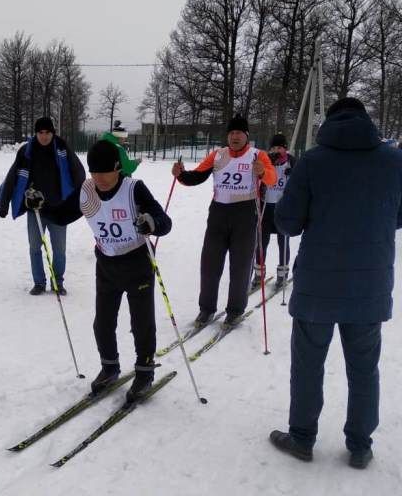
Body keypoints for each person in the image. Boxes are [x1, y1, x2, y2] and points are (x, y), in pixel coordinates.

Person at [269, 97, 402, 469]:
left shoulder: (313, 161)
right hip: (370, 283)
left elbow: (289, 223)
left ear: (328, 122)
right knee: (364, 366)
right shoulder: (394, 160)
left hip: (317, 285)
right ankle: (360, 445)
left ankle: (302, 437)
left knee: (308, 363)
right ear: (367, 120)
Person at [25, 140, 172, 403]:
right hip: (107, 264)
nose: (99, 178)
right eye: (94, 172)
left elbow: (164, 221)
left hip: (137, 262)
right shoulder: (87, 190)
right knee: (102, 323)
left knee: (142, 323)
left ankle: (145, 371)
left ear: (117, 168)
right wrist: (39, 205)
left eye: (104, 171)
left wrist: (151, 222)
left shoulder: (133, 189)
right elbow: (61, 215)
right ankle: (110, 367)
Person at [171, 114, 276, 327]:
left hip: (245, 214)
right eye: (231, 133)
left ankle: (235, 310)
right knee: (209, 264)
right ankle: (206, 309)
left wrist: (262, 171)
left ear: (246, 135)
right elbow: (197, 176)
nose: (235, 137)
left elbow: (272, 180)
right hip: (218, 213)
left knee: (240, 265)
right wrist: (181, 174)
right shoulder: (218, 155)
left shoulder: (258, 155)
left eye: (239, 133)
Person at [0, 117, 85, 295]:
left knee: (59, 250)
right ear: (36, 133)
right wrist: (4, 203)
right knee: (34, 247)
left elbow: (78, 172)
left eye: (48, 132)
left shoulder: (61, 147)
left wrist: (79, 197)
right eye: (40, 133)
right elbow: (12, 177)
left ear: (53, 133)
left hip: (59, 209)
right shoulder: (26, 151)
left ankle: (57, 282)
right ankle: (39, 282)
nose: (44, 136)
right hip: (35, 209)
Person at [250, 133, 297, 290]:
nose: (276, 150)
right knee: (262, 242)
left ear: (285, 149)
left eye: (279, 147)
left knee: (283, 241)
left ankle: (282, 274)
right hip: (266, 206)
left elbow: (302, 182)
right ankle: (258, 274)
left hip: (283, 207)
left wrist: (294, 176)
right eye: (273, 148)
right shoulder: (266, 161)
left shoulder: (292, 162)